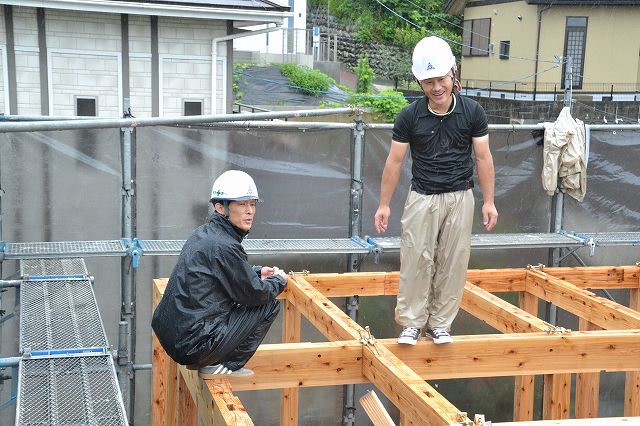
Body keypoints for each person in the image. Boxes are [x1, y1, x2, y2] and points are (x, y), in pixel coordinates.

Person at [374, 36, 498, 345]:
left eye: (441, 79)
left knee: (453, 260)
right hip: (422, 196)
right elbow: (394, 161)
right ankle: (412, 323)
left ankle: (441, 323)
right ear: (420, 83)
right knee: (416, 257)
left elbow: (483, 157)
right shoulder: (409, 116)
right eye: (428, 82)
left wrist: (489, 201)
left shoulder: (472, 112)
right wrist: (384, 204)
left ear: (453, 74)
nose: (436, 87)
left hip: (460, 195)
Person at [152, 170, 288, 378]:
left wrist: (256, 272)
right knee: (269, 305)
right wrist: (279, 280)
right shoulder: (224, 245)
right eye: (242, 204)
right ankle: (225, 366)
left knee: (250, 298)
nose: (249, 211)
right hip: (193, 344)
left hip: (175, 336)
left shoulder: (204, 234)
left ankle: (212, 357)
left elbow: (217, 276)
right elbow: (254, 295)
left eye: (252, 204)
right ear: (220, 207)